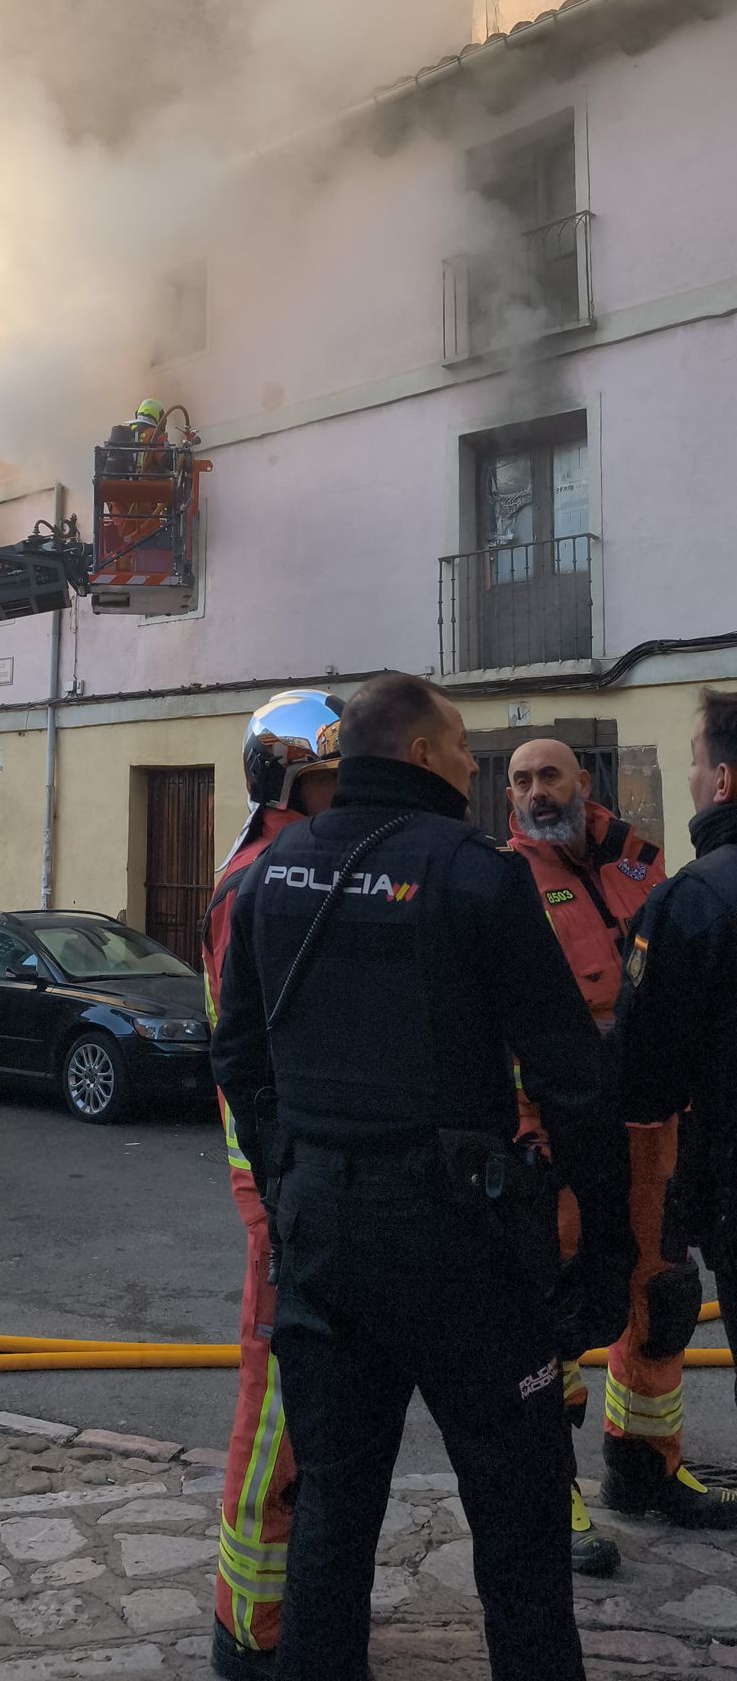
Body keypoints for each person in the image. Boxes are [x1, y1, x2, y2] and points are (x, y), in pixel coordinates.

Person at [212, 672, 635, 1681]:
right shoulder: (479, 874)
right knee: (522, 1521)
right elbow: (574, 1081)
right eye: (458, 747)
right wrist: (606, 1253)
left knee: (332, 1517)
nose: (471, 763)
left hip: (322, 1239)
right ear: (414, 755)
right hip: (462, 1245)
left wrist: (292, 1182)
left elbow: (237, 1059)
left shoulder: (270, 875)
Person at [506, 740, 695, 1560]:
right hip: (558, 1130)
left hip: (652, 1121)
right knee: (551, 1318)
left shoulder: (642, 865)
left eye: (550, 775)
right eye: (519, 780)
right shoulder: (504, 881)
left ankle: (647, 1467)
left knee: (663, 1295)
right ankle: (552, 1496)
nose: (535, 791)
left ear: (584, 782)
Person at [203, 689, 344, 1681]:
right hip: (281, 1176)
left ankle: (297, 1606)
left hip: (306, 1168)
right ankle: (248, 1627)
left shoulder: (289, 867)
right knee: (280, 1399)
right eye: (341, 773)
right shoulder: (266, 880)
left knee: (318, 1396)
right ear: (296, 778)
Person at [615, 689, 737, 1521]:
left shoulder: (692, 898)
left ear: (723, 779)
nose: (689, 776)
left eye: (694, 760)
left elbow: (643, 1073)